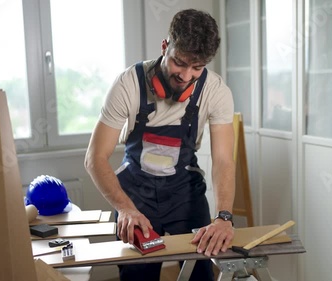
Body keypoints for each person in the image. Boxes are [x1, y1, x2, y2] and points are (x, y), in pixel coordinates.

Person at [85, 9, 235, 281]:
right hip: (135, 195)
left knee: (200, 274)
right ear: (165, 46)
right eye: (180, 62)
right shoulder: (128, 84)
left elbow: (224, 159)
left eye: (197, 68)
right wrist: (126, 209)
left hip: (185, 194)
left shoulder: (216, 91)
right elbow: (95, 158)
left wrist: (224, 216)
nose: (187, 76)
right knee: (137, 276)